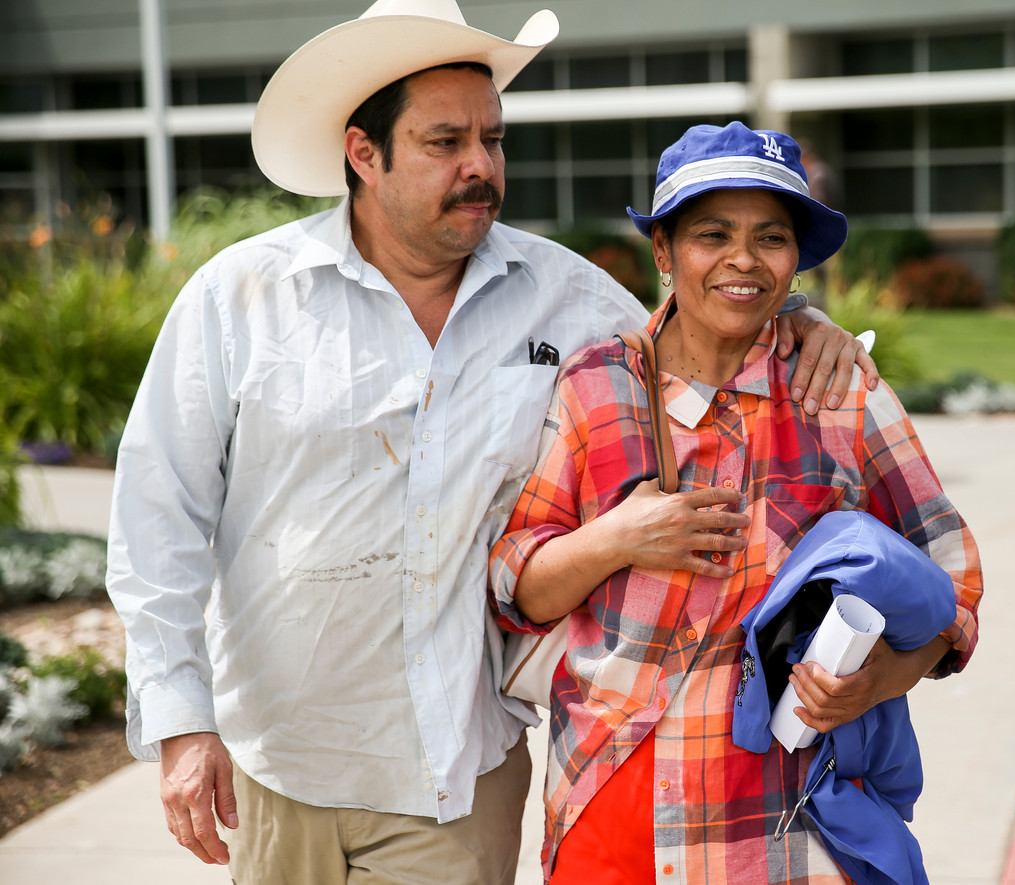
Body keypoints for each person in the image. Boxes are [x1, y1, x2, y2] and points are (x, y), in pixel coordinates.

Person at [104, 1, 875, 882]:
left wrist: (807, 320)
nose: (481, 166)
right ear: (364, 152)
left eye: (493, 139)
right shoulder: (241, 297)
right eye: (445, 143)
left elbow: (706, 324)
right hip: (277, 764)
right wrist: (178, 720)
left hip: (456, 779)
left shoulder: (570, 300)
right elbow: (158, 516)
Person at [489, 122, 983, 883]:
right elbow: (515, 584)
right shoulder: (598, 385)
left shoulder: (840, 391)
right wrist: (617, 538)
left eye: (771, 237)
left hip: (775, 828)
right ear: (664, 251)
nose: (743, 259)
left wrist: (879, 677)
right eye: (711, 233)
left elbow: (953, 577)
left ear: (797, 259)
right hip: (609, 806)